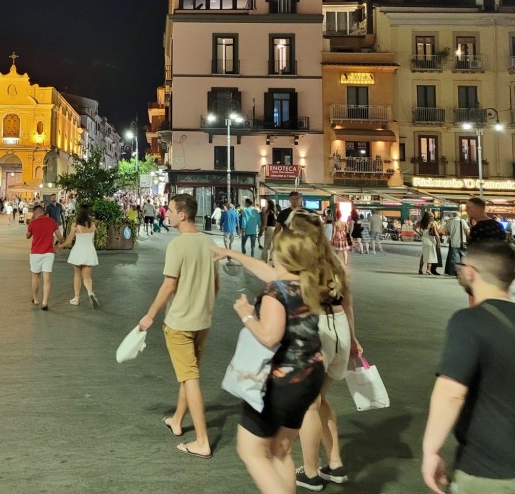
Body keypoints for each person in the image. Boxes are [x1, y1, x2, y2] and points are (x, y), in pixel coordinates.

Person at [210, 220, 335, 494]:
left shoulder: (275, 291)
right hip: (310, 375)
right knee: (281, 451)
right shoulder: (307, 282)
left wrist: (244, 312)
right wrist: (231, 253)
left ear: (281, 254)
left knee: (251, 450)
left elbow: (269, 336)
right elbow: (269, 273)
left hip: (281, 382)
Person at [421, 241, 515, 494]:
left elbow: (451, 392)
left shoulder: (468, 321)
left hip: (490, 474)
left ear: (471, 272)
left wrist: (430, 450)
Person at [139, 193, 219, 458]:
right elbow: (215, 286)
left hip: (180, 322)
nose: (167, 213)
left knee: (190, 378)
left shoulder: (177, 245)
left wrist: (150, 315)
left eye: (171, 210)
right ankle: (176, 420)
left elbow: (168, 285)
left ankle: (202, 440)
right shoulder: (209, 242)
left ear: (182, 214)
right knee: (190, 373)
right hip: (202, 321)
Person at [288, 212, 362, 490]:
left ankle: (310, 472)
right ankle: (335, 464)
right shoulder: (335, 263)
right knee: (320, 399)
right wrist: (353, 339)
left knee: (309, 404)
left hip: (318, 329)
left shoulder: (302, 263)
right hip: (340, 327)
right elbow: (348, 304)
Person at [57, 205, 100, 308]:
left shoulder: (75, 225)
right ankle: (90, 292)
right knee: (87, 277)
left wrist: (60, 246)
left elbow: (69, 240)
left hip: (79, 251)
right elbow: (93, 240)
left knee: (77, 274)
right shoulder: (93, 225)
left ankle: (76, 298)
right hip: (89, 251)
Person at [26, 205, 62, 311]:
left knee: (35, 277)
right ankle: (45, 302)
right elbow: (60, 236)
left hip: (35, 253)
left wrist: (30, 223)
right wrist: (58, 245)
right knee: (47, 279)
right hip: (48, 253)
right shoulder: (51, 221)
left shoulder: (33, 223)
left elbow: (27, 236)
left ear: (35, 213)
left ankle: (36, 299)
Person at [444, 211, 469, 276]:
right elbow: (467, 230)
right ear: (459, 215)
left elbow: (446, 233)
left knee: (455, 257)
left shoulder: (449, 222)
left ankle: (456, 271)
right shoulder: (462, 221)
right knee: (463, 257)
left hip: (453, 242)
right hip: (462, 242)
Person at [418, 211, 442, 276]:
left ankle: (420, 269)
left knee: (424, 255)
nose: (433, 216)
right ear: (430, 217)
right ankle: (428, 270)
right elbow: (436, 233)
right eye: (431, 216)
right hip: (430, 239)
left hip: (424, 239)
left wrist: (419, 233)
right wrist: (439, 240)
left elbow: (414, 227)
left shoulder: (422, 223)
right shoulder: (432, 223)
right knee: (430, 255)